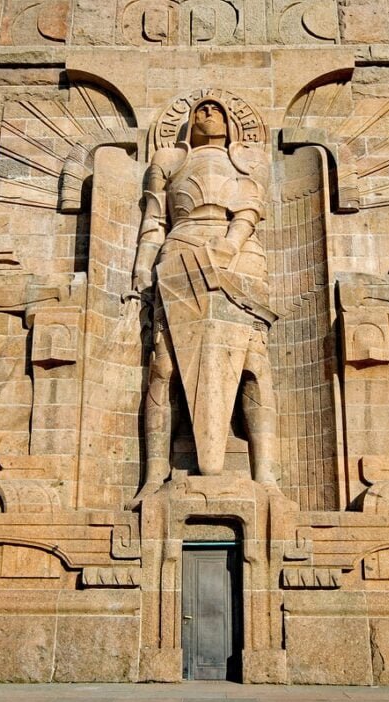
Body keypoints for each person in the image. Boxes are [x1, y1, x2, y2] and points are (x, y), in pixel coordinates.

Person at [125, 98, 278, 500]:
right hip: (180, 251)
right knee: (163, 367)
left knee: (254, 365)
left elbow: (251, 209)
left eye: (217, 110)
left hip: (241, 256)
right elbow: (154, 221)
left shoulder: (249, 159)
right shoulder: (168, 160)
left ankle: (266, 478)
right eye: (200, 111)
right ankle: (154, 477)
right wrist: (142, 267)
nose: (208, 114)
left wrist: (230, 243)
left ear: (231, 122)